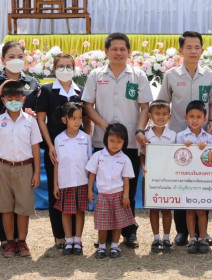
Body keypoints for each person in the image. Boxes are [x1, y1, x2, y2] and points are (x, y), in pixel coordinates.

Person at [82, 32, 152, 247]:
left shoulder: (138, 75)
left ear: (129, 51)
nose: (119, 53)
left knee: (125, 190)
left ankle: (129, 231)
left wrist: (140, 130)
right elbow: (87, 106)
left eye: (123, 49)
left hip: (130, 142)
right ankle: (106, 232)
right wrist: (104, 126)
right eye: (114, 49)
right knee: (104, 190)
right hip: (102, 143)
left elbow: (145, 107)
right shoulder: (95, 75)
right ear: (106, 51)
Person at [157, 31, 212, 246]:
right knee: (180, 182)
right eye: (189, 47)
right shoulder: (171, 75)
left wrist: (211, 121)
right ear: (181, 50)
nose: (193, 51)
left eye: (197, 47)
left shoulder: (210, 75)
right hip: (178, 136)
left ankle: (203, 231)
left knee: (203, 183)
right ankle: (182, 230)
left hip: (202, 138)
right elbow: (163, 103)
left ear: (202, 49)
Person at [36, 52, 88, 249]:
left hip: (78, 149)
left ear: (74, 69)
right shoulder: (47, 90)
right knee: (56, 191)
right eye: (61, 66)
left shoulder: (81, 91)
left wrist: (87, 141)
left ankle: (75, 236)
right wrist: (49, 145)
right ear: (54, 69)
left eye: (69, 66)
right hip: (56, 150)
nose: (65, 70)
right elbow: (41, 119)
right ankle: (60, 235)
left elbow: (87, 119)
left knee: (77, 191)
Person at [0, 41, 41, 248]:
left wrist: (30, 114)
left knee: (22, 205)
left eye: (20, 56)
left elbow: (36, 109)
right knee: (5, 204)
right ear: (2, 59)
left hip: (24, 143)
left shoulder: (32, 83)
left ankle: (21, 240)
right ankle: (8, 241)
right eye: (11, 56)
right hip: (4, 147)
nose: (15, 60)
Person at [87, 123, 137, 259]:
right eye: (112, 141)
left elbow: (126, 179)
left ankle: (115, 246)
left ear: (124, 142)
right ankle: (102, 247)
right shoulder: (98, 156)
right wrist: (90, 190)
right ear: (106, 140)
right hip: (103, 195)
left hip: (119, 196)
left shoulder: (125, 159)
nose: (115, 144)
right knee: (102, 224)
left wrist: (126, 196)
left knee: (118, 223)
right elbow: (92, 174)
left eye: (119, 141)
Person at [53, 102, 92, 256]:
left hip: (82, 181)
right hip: (65, 182)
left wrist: (90, 185)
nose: (77, 121)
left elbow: (89, 163)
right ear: (65, 120)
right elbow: (56, 163)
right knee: (66, 212)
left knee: (79, 211)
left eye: (79, 118)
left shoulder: (86, 138)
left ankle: (78, 240)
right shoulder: (59, 139)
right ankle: (68, 240)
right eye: (73, 118)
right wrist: (56, 185)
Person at [176, 100, 212, 253]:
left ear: (205, 118)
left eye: (199, 117)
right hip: (186, 180)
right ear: (186, 118)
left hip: (204, 181)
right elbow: (174, 157)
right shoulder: (180, 137)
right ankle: (192, 239)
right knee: (190, 209)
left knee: (201, 210)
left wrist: (207, 148)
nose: (195, 120)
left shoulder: (209, 138)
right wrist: (182, 147)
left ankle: (203, 238)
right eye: (191, 116)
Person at [140, 100, 176, 253]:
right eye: (157, 114)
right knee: (153, 209)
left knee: (167, 209)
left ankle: (166, 237)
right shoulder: (145, 135)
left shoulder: (174, 136)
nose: (160, 117)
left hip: (168, 179)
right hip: (151, 178)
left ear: (169, 116)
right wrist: (143, 166)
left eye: (164, 114)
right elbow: (141, 154)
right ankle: (156, 238)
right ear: (149, 115)